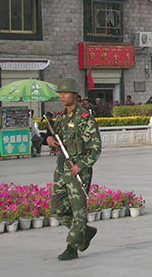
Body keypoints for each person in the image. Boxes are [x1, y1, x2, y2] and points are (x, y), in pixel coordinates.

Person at [45, 77, 102, 261]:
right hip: (62, 168)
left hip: (78, 170)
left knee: (78, 210)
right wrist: (50, 141)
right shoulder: (61, 118)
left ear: (75, 95)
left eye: (65, 93)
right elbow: (58, 142)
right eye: (60, 93)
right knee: (57, 208)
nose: (61, 96)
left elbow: (95, 148)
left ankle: (72, 247)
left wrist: (81, 165)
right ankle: (83, 232)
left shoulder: (85, 118)